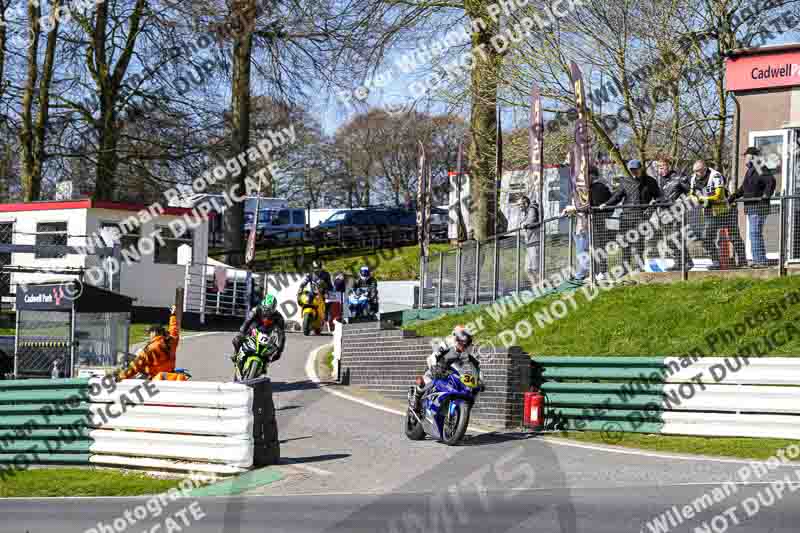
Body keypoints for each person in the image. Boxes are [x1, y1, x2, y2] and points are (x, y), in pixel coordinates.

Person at [599, 159, 662, 275]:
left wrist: (652, 208)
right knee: (625, 244)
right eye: (631, 170)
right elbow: (617, 197)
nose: (634, 172)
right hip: (626, 217)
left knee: (639, 244)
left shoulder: (650, 181)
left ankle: (639, 268)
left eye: (636, 169)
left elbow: (659, 197)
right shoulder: (625, 182)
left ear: (641, 169)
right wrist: (606, 204)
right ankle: (625, 268)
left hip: (641, 217)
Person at [410, 325, 480, 415]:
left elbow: (476, 366)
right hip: (437, 367)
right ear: (456, 338)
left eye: (466, 343)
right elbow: (432, 356)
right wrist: (434, 368)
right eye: (461, 342)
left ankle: (459, 413)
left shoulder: (468, 350)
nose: (463, 345)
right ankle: (416, 398)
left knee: (469, 391)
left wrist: (478, 380)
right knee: (426, 382)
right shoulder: (447, 343)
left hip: (452, 373)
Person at [689, 160, 747, 269]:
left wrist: (702, 199)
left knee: (734, 237)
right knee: (706, 237)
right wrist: (694, 199)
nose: (697, 174)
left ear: (704, 168)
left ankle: (743, 261)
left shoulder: (716, 176)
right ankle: (715, 262)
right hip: (709, 212)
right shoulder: (693, 178)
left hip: (726, 211)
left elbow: (718, 195)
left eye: (699, 171)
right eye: (695, 171)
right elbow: (691, 193)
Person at [729, 147, 777, 268]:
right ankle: (758, 260)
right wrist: (734, 196)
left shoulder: (758, 166)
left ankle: (760, 261)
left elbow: (771, 181)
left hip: (758, 206)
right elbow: (744, 188)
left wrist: (766, 195)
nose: (745, 158)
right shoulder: (750, 170)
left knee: (755, 233)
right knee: (754, 233)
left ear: (752, 156)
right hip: (751, 207)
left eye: (746, 156)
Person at [117, 306, 180, 381]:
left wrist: (120, 377)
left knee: (125, 358)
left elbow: (135, 367)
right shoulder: (172, 340)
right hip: (169, 373)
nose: (149, 335)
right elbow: (174, 329)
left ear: (155, 332)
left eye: (150, 333)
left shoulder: (150, 348)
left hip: (155, 376)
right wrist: (173, 315)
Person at [654, 157, 693, 271]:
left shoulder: (679, 177)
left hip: (676, 212)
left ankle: (685, 262)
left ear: (669, 166)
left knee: (677, 238)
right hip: (663, 213)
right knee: (669, 240)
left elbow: (690, 191)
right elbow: (658, 195)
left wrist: (681, 201)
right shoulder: (659, 180)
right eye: (658, 168)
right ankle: (680, 262)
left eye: (662, 167)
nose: (660, 170)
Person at [232, 294, 286, 363]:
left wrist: (279, 350)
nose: (267, 313)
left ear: (274, 309)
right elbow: (247, 321)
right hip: (252, 331)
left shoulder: (279, 318)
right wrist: (242, 332)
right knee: (236, 340)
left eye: (270, 310)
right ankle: (236, 354)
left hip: (267, 336)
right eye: (266, 309)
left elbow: (282, 334)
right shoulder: (256, 310)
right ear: (263, 305)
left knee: (274, 352)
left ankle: (264, 365)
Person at [519, 195, 540, 287]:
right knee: (527, 269)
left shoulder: (532, 209)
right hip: (529, 243)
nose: (519, 207)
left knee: (535, 268)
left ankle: (542, 285)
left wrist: (524, 224)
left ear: (526, 203)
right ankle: (535, 287)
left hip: (534, 242)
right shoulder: (526, 213)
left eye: (520, 205)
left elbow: (531, 220)